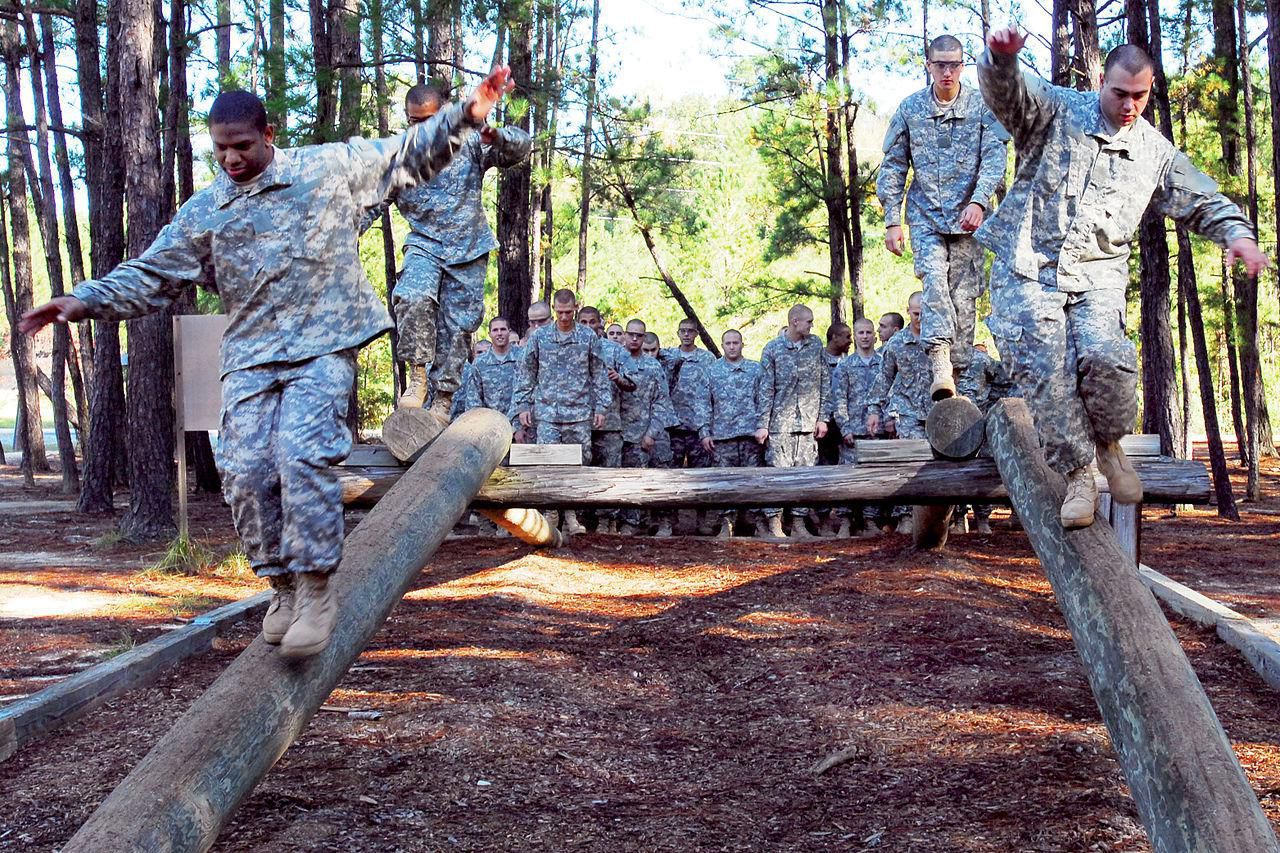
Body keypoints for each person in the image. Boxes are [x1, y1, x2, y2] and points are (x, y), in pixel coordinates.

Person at [19, 72, 514, 658]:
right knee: (245, 468)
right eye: (221, 148)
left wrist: (467, 113)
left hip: (324, 343)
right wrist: (85, 300)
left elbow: (404, 153)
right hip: (251, 354)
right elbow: (154, 272)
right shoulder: (208, 209)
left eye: (243, 146)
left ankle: (316, 589)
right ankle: (280, 585)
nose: (231, 158)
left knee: (302, 455)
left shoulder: (324, 170)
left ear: (266, 135)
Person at [978, 30, 1267, 528]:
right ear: (1101, 82)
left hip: (1098, 275)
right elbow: (1008, 94)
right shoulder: (1056, 111)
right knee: (1047, 376)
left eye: (1140, 95)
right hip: (1027, 268)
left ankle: (1110, 444)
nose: (1129, 104)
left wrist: (1236, 234)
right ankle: (1079, 477)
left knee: (1108, 358)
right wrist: (1000, 60)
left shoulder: (1155, 153)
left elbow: (1203, 198)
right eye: (1119, 93)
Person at [378, 82, 531, 460]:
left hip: (468, 248)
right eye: (414, 122)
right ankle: (416, 376)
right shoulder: (400, 155)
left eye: (429, 121)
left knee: (460, 324)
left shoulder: (471, 142)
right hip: (425, 244)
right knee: (412, 296)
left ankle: (443, 397)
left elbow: (522, 147)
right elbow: (369, 201)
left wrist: (499, 135)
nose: (422, 129)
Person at [878, 34, 1008, 402]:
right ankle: (939, 361)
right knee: (935, 284)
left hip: (969, 219)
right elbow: (893, 166)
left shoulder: (983, 107)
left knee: (964, 298)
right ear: (929, 65)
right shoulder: (911, 109)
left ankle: (961, 374)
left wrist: (980, 202)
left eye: (954, 64)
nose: (947, 72)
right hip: (926, 215)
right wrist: (892, 220)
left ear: (963, 66)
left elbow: (995, 159)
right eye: (940, 64)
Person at [513, 289, 612, 535]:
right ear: (554, 310)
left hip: (578, 413)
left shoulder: (588, 337)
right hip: (547, 412)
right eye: (560, 312)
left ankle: (571, 515)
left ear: (576, 308)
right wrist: (523, 405)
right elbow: (527, 372)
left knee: (577, 464)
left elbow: (599, 373)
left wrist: (601, 407)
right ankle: (551, 513)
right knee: (547, 464)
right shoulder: (540, 337)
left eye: (569, 312)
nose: (564, 317)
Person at [756, 304, 832, 540]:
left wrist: (823, 418)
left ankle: (799, 523)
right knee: (777, 475)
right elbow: (766, 389)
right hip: (781, 425)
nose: (811, 325)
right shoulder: (773, 349)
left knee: (805, 474)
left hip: (808, 424)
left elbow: (824, 382)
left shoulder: (816, 345)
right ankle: (775, 523)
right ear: (795, 322)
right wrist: (763, 424)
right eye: (808, 321)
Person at [866, 292, 932, 535]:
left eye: (924, 313)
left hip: (939, 414)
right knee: (909, 465)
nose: (920, 318)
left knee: (941, 464)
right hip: (908, 412)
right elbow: (884, 379)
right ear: (908, 312)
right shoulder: (896, 344)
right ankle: (906, 515)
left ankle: (949, 515)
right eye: (916, 314)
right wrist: (874, 410)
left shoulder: (939, 339)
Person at [700, 329, 764, 539]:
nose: (732, 346)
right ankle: (726, 522)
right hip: (722, 436)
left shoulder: (755, 369)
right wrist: (704, 432)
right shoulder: (712, 370)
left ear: (742, 344)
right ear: (723, 345)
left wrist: (763, 426)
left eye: (736, 342)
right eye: (728, 343)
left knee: (752, 481)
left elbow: (763, 400)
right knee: (724, 481)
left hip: (750, 435)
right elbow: (703, 403)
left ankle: (756, 522)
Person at [579, 305, 636, 533]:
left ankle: (607, 519)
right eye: (583, 322)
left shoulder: (614, 350)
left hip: (609, 424)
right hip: (577, 424)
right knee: (580, 473)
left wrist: (618, 378)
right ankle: (580, 519)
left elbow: (632, 383)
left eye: (592, 322)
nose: (588, 327)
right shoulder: (570, 348)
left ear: (599, 324)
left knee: (609, 473)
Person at [657, 318, 714, 533]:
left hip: (698, 426)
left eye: (691, 331)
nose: (687, 334)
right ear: (678, 332)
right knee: (671, 476)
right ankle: (668, 522)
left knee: (701, 475)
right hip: (673, 426)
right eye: (683, 331)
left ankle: (702, 522)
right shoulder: (668, 356)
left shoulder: (707, 359)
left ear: (697, 334)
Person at [617, 319, 674, 535]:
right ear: (624, 335)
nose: (634, 339)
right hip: (625, 434)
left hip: (653, 432)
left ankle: (664, 522)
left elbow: (662, 401)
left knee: (661, 478)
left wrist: (652, 433)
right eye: (630, 334)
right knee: (630, 479)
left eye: (639, 335)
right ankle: (631, 522)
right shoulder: (617, 362)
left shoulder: (652, 365)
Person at [831, 317, 883, 537]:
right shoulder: (845, 366)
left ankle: (870, 520)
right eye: (860, 333)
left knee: (874, 477)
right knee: (847, 476)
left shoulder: (884, 363)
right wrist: (844, 427)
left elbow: (889, 395)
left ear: (874, 335)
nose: (864, 337)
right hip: (852, 431)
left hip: (876, 432)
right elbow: (839, 400)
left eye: (868, 333)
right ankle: (845, 520)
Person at [642, 331, 679, 536]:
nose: (648, 354)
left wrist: (660, 353)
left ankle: (665, 521)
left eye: (652, 350)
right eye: (645, 350)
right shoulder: (632, 362)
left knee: (663, 472)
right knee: (639, 473)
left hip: (661, 427)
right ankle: (643, 520)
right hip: (637, 426)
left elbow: (677, 357)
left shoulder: (666, 364)